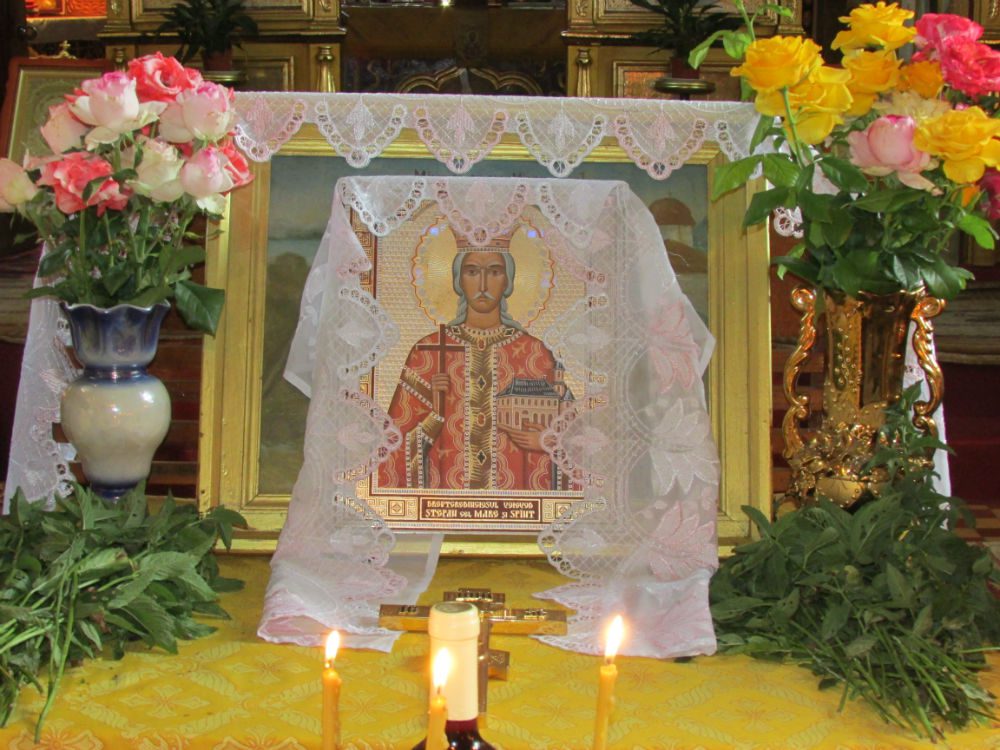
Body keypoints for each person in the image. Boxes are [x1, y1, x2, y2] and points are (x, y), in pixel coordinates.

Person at [377, 230, 574, 491]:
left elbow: (580, 441)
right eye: (472, 272)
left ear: (508, 280)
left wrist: (547, 441)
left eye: (494, 272)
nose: (483, 285)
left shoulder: (536, 354)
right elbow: (389, 453)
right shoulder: (428, 353)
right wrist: (435, 418)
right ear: (458, 280)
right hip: (442, 506)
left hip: (520, 506)